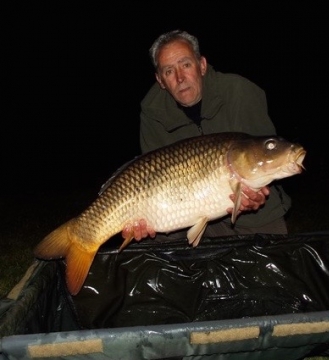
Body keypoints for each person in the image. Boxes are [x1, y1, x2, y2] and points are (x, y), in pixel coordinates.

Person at [122, 29, 291, 242]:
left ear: (201, 65)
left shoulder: (240, 93)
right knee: (157, 239)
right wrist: (142, 219)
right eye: (169, 71)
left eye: (186, 64)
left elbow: (264, 156)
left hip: (252, 214)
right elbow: (149, 176)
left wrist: (258, 195)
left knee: (270, 266)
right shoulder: (152, 114)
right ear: (160, 81)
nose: (180, 78)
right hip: (183, 208)